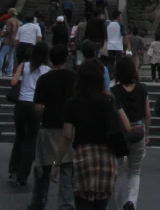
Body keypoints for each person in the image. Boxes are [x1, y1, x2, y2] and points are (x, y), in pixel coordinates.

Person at [52, 58, 122, 210]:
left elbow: (67, 135)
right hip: (106, 157)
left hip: (83, 156)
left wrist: (57, 162)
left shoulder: (73, 102)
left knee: (82, 203)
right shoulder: (108, 101)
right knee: (101, 205)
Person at [30, 43, 76, 210]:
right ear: (66, 58)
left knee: (43, 168)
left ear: (51, 59)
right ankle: (66, 205)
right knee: (66, 168)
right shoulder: (73, 78)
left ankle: (39, 201)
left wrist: (44, 113)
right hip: (68, 127)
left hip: (48, 126)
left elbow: (37, 106)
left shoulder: (44, 79)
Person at [111, 56, 150, 210]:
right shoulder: (142, 88)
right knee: (135, 171)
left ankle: (120, 204)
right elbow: (147, 114)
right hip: (138, 129)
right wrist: (147, 133)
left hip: (120, 132)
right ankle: (131, 201)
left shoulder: (114, 91)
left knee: (119, 171)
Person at [9, 41, 50, 186]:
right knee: (30, 140)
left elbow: (14, 82)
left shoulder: (24, 65)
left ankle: (13, 168)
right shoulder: (46, 69)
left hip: (21, 104)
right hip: (36, 105)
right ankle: (23, 175)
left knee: (19, 137)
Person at [106, 9, 129, 77]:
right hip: (118, 46)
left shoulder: (108, 24)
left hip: (110, 46)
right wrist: (127, 45)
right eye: (121, 16)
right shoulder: (120, 25)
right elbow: (124, 36)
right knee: (118, 62)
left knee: (110, 62)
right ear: (118, 16)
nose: (121, 17)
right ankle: (117, 76)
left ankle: (108, 76)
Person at [0, 7, 20, 77]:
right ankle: (9, 72)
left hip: (8, 39)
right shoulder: (18, 21)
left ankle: (0, 71)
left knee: (2, 54)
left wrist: (2, 33)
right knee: (11, 56)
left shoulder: (9, 21)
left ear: (10, 13)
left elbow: (7, 30)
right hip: (15, 40)